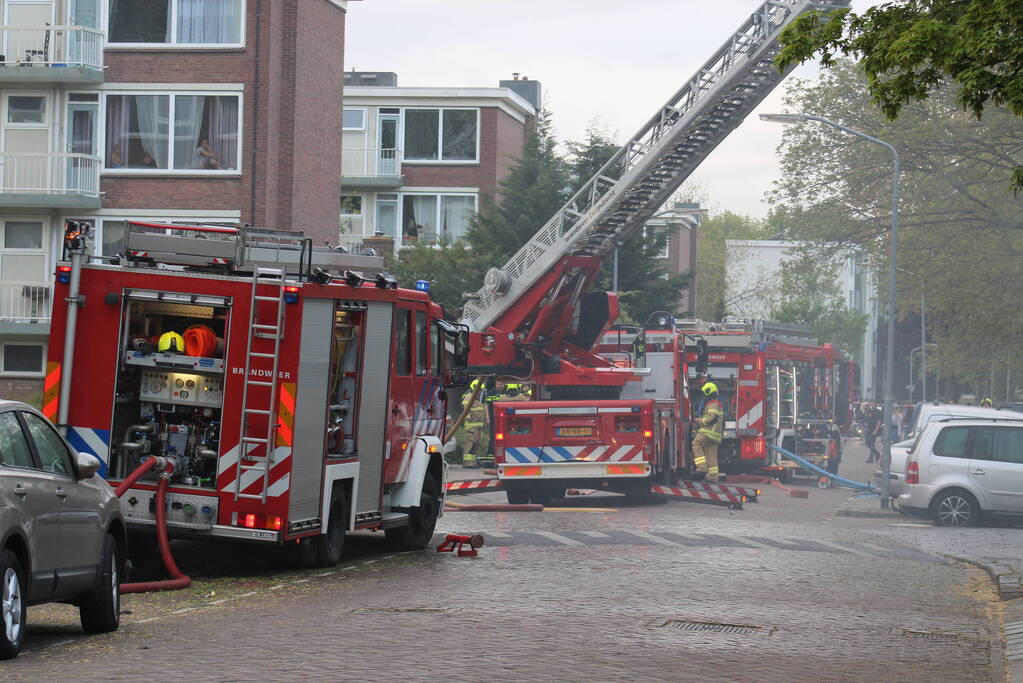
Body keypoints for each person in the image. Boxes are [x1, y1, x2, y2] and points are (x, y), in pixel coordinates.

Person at [692, 381, 724, 483]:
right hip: (715, 435)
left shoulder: (713, 404)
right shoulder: (717, 403)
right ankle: (713, 477)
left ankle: (702, 468)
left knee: (696, 444)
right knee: (711, 455)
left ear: (708, 392)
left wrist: (700, 421)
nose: (703, 396)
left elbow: (712, 418)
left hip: (708, 433)